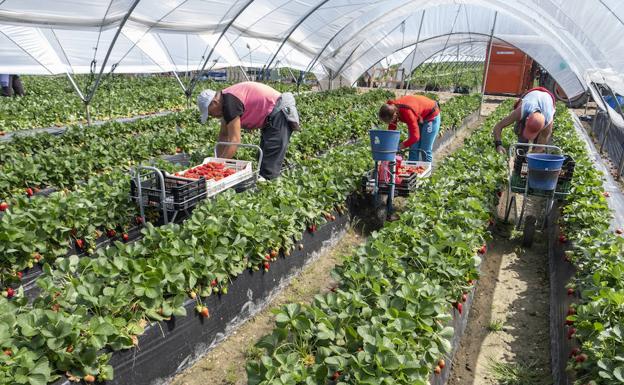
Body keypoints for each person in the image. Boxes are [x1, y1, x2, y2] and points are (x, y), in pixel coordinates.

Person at [197, 81, 299, 180]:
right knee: (263, 157)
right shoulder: (225, 102)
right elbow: (224, 135)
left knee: (269, 163)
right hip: (271, 115)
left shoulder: (230, 104)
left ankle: (268, 188)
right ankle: (265, 183)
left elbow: (235, 141)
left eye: (210, 113)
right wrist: (216, 160)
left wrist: (217, 166)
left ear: (215, 102)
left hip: (279, 111)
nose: (213, 117)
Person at [492, 87, 556, 154]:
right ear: (526, 120)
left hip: (548, 98)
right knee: (521, 139)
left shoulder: (548, 121)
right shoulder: (522, 110)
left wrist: (534, 154)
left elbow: (541, 145)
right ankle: (521, 150)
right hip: (531, 96)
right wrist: (498, 145)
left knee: (538, 146)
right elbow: (498, 126)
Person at [378, 94, 441, 162]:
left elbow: (415, 137)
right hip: (418, 117)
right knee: (413, 148)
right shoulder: (392, 109)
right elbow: (392, 129)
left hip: (431, 116)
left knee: (425, 149)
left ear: (394, 115)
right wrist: (389, 146)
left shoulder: (407, 112)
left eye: (389, 121)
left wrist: (399, 147)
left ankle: (427, 171)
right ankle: (412, 171)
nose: (389, 123)